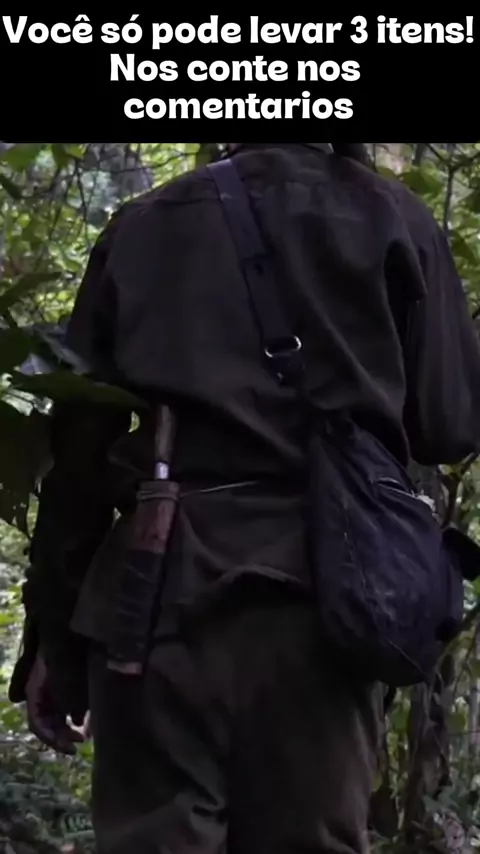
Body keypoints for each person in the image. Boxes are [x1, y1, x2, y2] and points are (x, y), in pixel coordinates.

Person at [9, 142, 480, 854]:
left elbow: (78, 455)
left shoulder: (144, 224)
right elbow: (449, 425)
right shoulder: (394, 216)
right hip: (330, 597)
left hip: (157, 595)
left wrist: (55, 636)